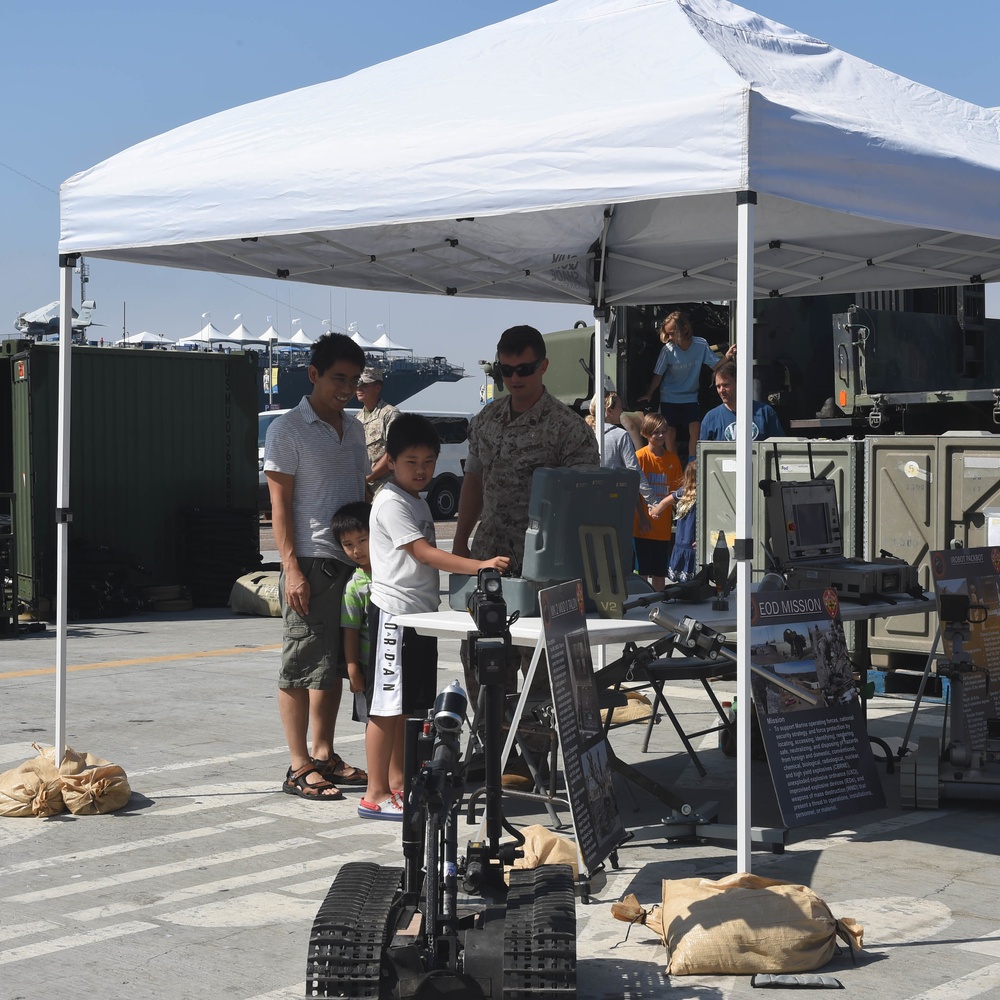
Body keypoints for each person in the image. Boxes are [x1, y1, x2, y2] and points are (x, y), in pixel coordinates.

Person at [364, 413, 510, 819]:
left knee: (409, 707)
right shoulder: (390, 502)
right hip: (394, 615)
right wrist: (479, 564)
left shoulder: (416, 501)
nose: (422, 470)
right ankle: (375, 793)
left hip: (418, 617)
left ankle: (398, 783)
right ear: (390, 461)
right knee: (386, 706)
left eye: (429, 461)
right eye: (411, 462)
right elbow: (424, 554)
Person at [454, 325, 600, 694]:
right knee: (480, 663)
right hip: (491, 563)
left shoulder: (568, 430)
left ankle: (534, 747)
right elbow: (473, 480)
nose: (514, 378)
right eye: (506, 370)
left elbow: (587, 503)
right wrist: (459, 541)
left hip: (546, 570)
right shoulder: (486, 420)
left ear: (544, 366)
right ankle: (495, 749)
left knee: (546, 678)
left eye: (524, 369)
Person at [263, 332, 370, 802]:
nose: (346, 388)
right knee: (301, 662)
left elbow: (361, 496)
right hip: (310, 560)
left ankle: (325, 753)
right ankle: (297, 763)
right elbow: (279, 507)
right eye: (337, 379)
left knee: (332, 667)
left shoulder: (356, 428)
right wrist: (292, 568)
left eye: (353, 380)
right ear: (313, 374)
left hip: (351, 562)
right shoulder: (287, 430)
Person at [637, 311, 735, 462]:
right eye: (667, 335)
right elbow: (658, 375)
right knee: (669, 432)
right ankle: (673, 463)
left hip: (690, 395)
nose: (669, 338)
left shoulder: (700, 344)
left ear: (685, 329)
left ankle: (692, 463)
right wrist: (649, 393)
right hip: (669, 396)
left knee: (695, 428)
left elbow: (715, 366)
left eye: (671, 334)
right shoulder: (667, 350)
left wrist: (727, 356)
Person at [587, 390, 656, 533]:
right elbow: (634, 472)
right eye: (619, 406)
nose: (622, 410)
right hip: (613, 505)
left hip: (587, 502)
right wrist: (653, 500)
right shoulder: (620, 436)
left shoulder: (584, 433)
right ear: (609, 410)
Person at [332, 501, 374, 724]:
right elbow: (350, 631)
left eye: (362, 540)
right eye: (348, 545)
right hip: (367, 666)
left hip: (398, 662)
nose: (356, 550)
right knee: (374, 721)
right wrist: (353, 668)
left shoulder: (394, 575)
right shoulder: (354, 587)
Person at [633, 412, 684, 591]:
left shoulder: (672, 460)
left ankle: (659, 607)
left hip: (662, 529)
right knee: (642, 574)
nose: (661, 436)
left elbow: (678, 492)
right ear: (646, 433)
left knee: (659, 574)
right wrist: (643, 518)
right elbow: (632, 494)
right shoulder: (639, 457)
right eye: (656, 432)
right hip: (641, 529)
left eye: (664, 431)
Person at [699, 358, 785, 441]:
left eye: (726, 385)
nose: (721, 390)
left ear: (739, 383)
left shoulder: (765, 413)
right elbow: (703, 453)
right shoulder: (710, 418)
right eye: (718, 386)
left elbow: (779, 448)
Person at [356, 366, 399, 494]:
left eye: (364, 384)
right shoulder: (356, 419)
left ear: (378, 388)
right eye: (357, 384)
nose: (359, 388)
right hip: (362, 489)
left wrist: (368, 478)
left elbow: (394, 452)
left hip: (385, 488)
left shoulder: (390, 414)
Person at [667, 461, 699, 584]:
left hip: (681, 541)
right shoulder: (703, 494)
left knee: (683, 580)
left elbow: (665, 502)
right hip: (692, 542)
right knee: (694, 579)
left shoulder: (683, 491)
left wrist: (655, 511)